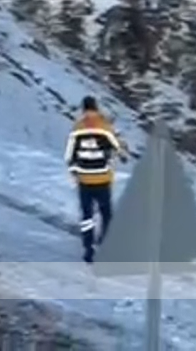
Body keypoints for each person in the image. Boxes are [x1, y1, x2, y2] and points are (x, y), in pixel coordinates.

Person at [64, 96, 126, 264]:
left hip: (84, 179)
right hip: (103, 178)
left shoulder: (77, 129)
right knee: (106, 213)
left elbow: (69, 156)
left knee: (87, 215)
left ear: (83, 109)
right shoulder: (105, 127)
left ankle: (88, 249)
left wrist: (74, 171)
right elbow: (118, 148)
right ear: (96, 108)